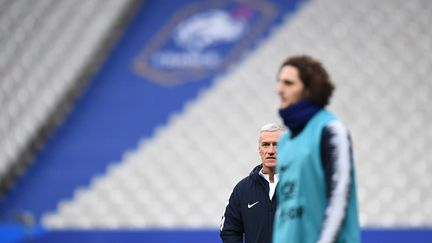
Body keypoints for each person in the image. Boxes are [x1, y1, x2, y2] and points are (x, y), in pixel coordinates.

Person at [273, 55, 360, 243]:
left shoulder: (330, 130)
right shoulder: (284, 141)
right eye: (279, 82)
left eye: (288, 83)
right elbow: (284, 210)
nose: (279, 89)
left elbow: (339, 200)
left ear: (308, 90)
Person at [220, 123, 283, 243]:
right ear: (259, 149)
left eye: (276, 145)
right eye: (265, 145)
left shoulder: (302, 186)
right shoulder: (242, 189)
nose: (271, 151)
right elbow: (229, 230)